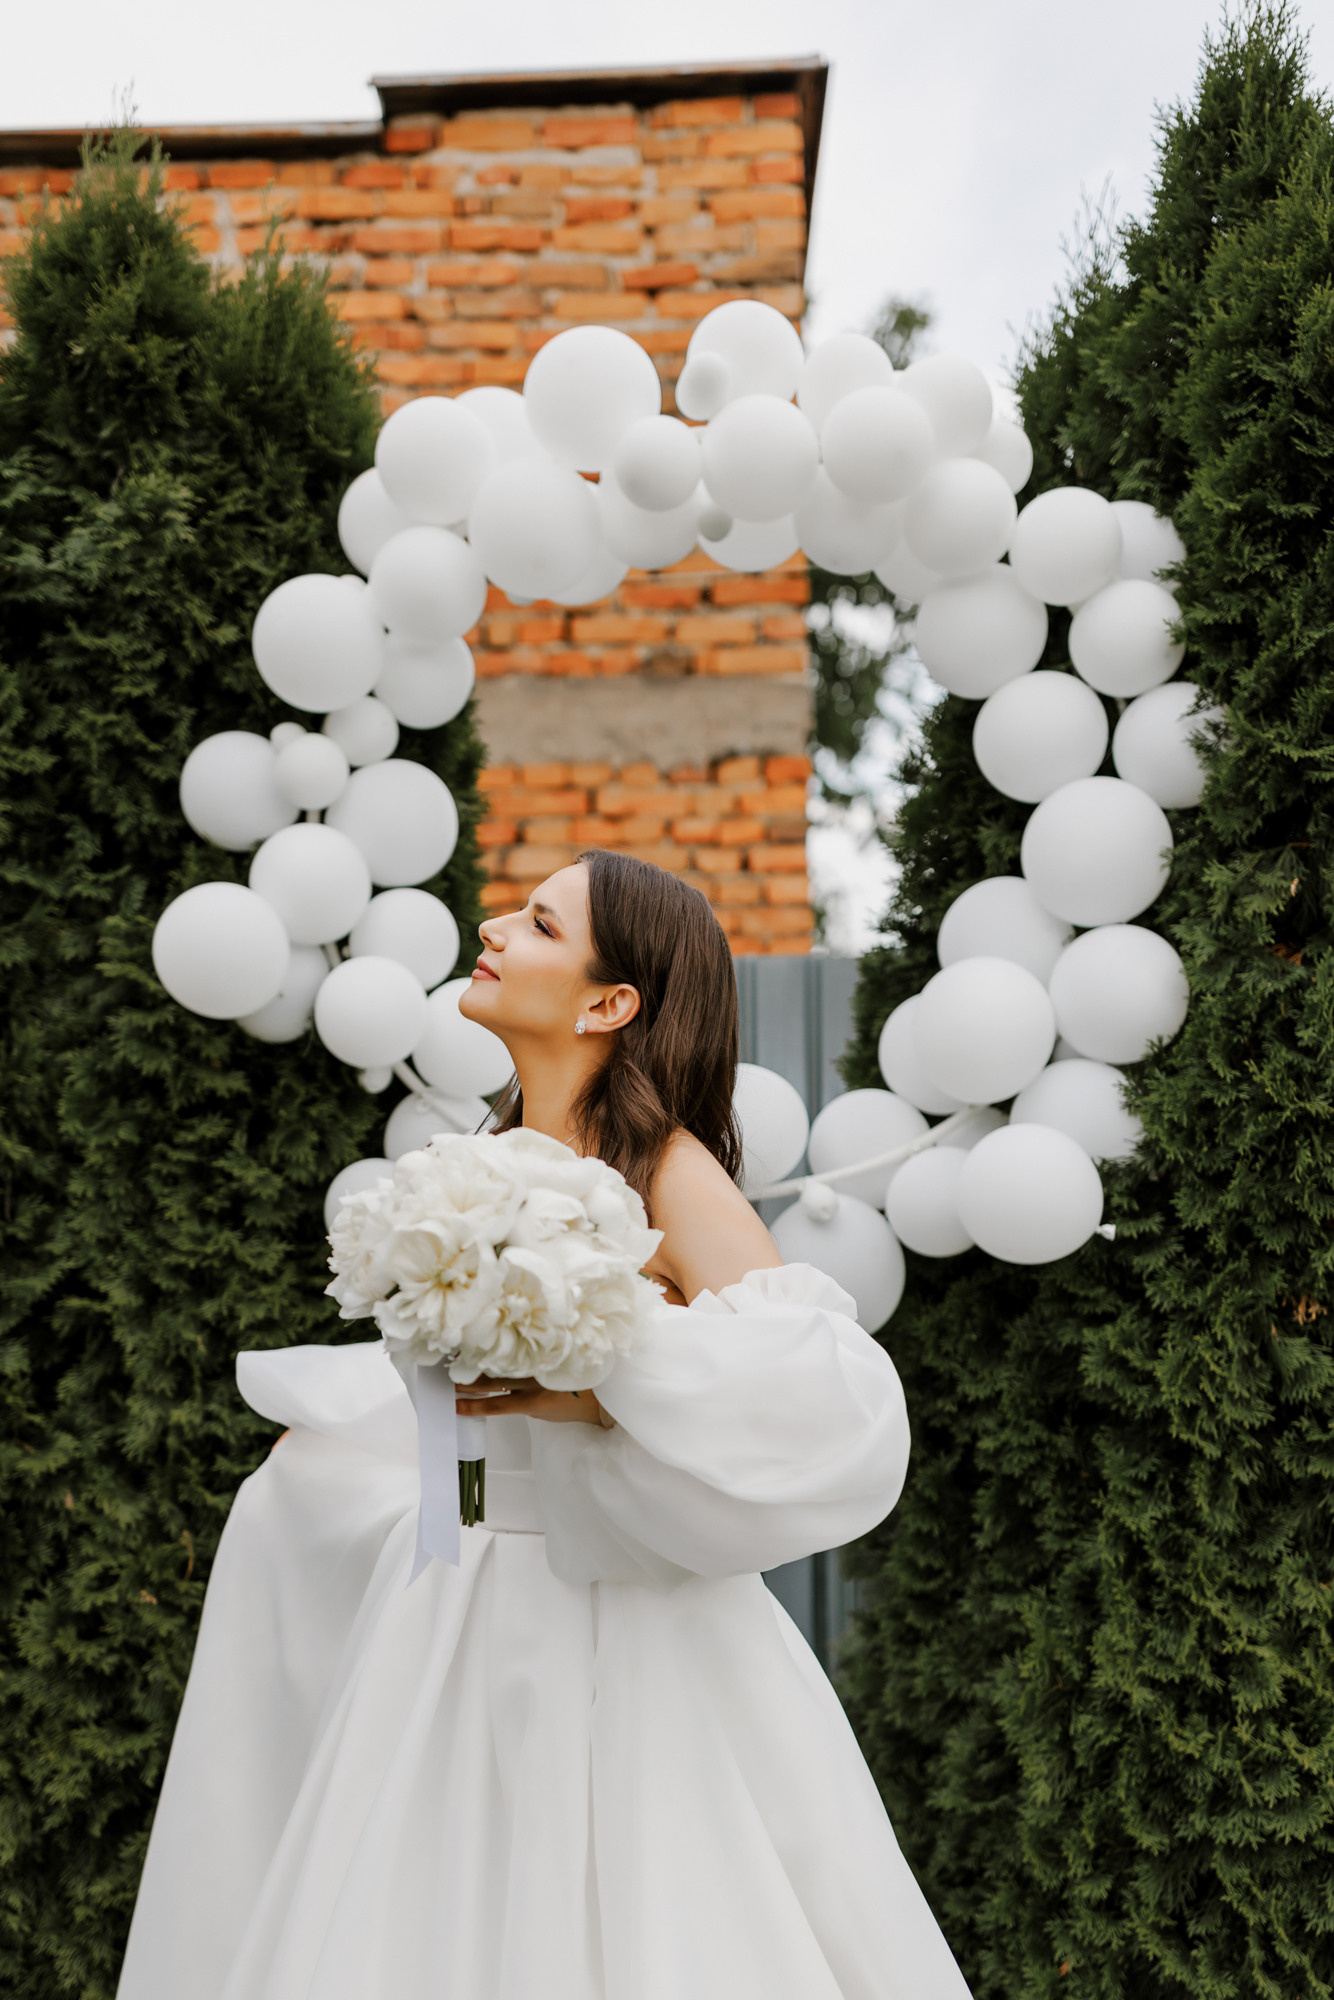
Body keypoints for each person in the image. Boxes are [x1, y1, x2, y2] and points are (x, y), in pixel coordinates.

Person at [116, 851, 972, 2000]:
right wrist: (329, 1450)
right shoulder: (465, 1165)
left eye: (535, 919)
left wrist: (611, 1377)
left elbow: (814, 1384)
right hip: (448, 1608)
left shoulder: (667, 1169)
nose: (494, 924)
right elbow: (461, 1410)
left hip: (623, 1639)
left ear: (607, 1000)